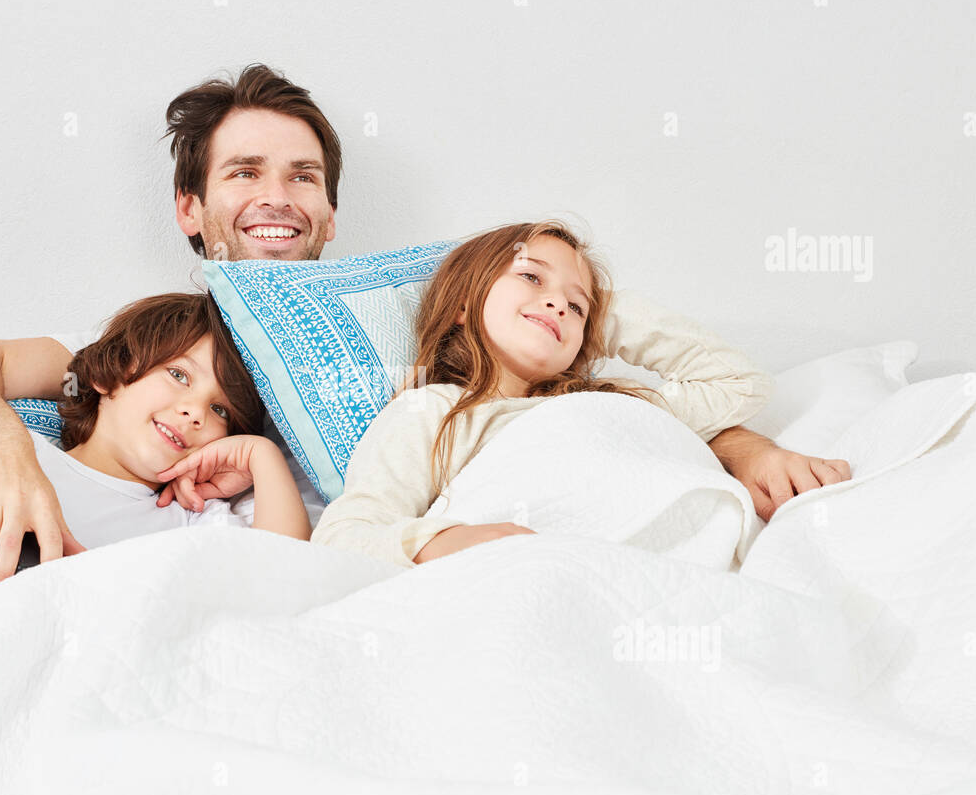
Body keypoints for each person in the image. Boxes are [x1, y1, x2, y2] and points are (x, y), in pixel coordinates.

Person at [0, 63, 849, 593]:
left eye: (303, 177)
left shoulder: (414, 331)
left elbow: (559, 384)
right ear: (191, 210)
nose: (278, 198)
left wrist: (735, 441)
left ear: (334, 216)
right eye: (244, 174)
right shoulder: (135, 357)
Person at [310, 220, 851, 567]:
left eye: (577, 306)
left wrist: (602, 311)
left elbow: (740, 382)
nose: (558, 306)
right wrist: (436, 542)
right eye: (531, 278)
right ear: (462, 302)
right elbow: (346, 533)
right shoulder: (435, 409)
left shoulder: (615, 405)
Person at [0, 293, 310, 619]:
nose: (194, 412)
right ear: (110, 374)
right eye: (178, 375)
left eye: (220, 410)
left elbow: (280, 584)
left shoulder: (196, 517)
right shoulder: (15, 461)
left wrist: (262, 456)